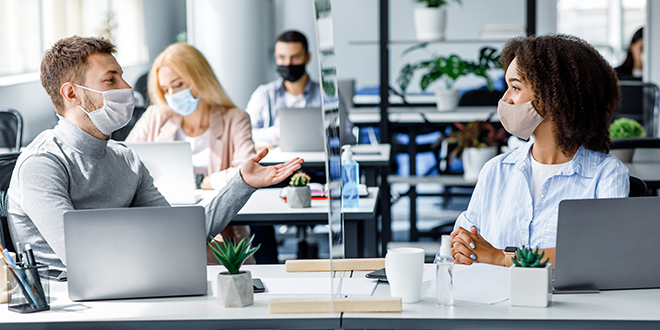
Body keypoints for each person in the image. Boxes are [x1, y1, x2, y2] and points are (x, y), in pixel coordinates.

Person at [6, 36, 302, 272]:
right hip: (69, 308)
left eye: (122, 77)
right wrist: (152, 243)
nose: (127, 89)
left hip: (134, 286)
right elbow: (84, 260)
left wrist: (241, 183)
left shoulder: (126, 159)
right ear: (71, 94)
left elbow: (182, 235)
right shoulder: (42, 164)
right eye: (111, 80)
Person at [450, 34, 629, 267]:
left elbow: (604, 255)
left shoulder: (606, 175)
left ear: (554, 95)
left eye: (515, 87)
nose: (505, 99)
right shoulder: (495, 170)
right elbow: (461, 245)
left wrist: (500, 258)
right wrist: (462, 248)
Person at [125, 43, 255, 263]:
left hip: (218, 231)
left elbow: (246, 173)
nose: (172, 95)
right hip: (161, 220)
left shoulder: (235, 119)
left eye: (178, 85)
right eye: (166, 90)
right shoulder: (155, 116)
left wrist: (201, 181)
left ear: (199, 78)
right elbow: (124, 160)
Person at [245, 30, 322, 148]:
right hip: (275, 164)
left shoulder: (326, 94)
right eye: (281, 57)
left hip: (317, 162)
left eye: (295, 57)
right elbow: (245, 133)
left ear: (307, 57)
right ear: (275, 58)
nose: (288, 63)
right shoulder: (264, 94)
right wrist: (277, 133)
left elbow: (347, 133)